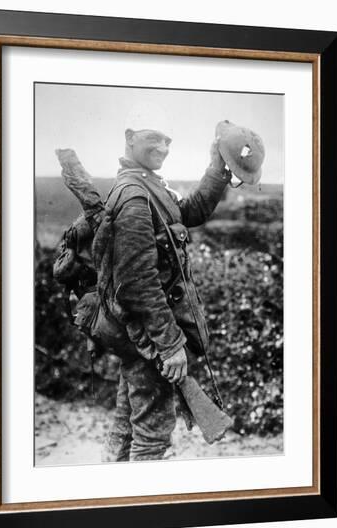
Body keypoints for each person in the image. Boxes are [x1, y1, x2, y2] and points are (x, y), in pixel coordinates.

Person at [94, 116, 232, 462]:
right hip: (150, 336)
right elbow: (138, 283)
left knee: (128, 423)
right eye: (154, 140)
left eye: (168, 141)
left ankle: (109, 494)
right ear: (129, 137)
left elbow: (188, 212)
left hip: (138, 333)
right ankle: (137, 508)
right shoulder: (136, 198)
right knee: (152, 435)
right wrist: (170, 346)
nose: (165, 148)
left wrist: (218, 165)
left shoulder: (147, 186)